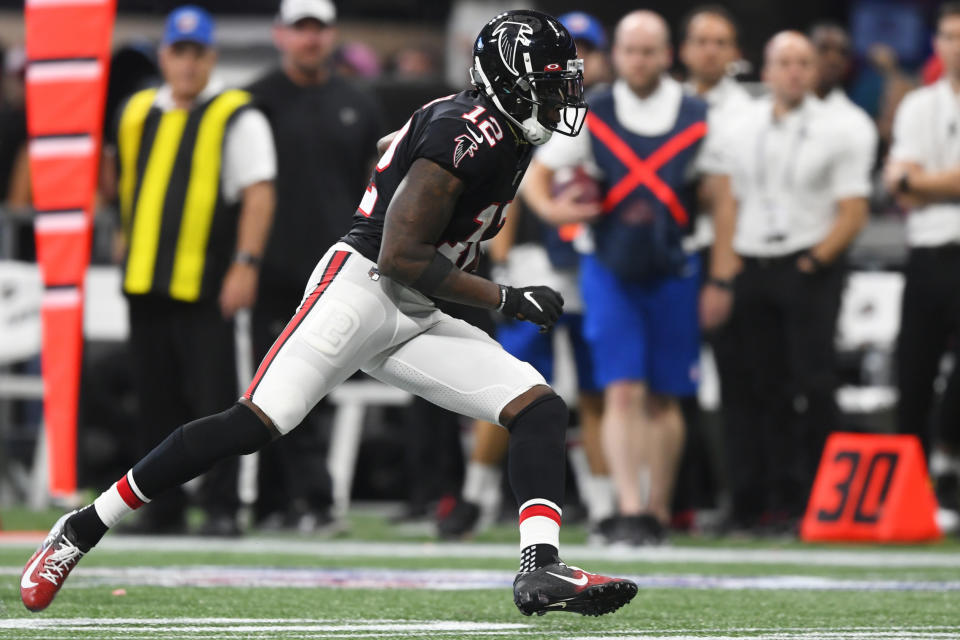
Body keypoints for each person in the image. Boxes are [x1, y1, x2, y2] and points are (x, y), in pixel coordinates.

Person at [21, 10, 637, 617]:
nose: (560, 98)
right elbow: (399, 255)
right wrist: (504, 297)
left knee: (538, 407)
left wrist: (404, 168)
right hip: (362, 289)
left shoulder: (486, 125)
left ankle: (542, 567)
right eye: (550, 82)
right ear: (507, 79)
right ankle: (82, 527)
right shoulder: (467, 134)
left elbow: (390, 152)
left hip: (417, 305)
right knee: (254, 423)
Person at [523, 10, 734, 545]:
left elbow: (722, 198)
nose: (640, 60)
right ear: (617, 55)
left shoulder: (696, 113)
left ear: (668, 55)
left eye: (650, 50)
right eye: (631, 50)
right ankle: (629, 508)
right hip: (610, 267)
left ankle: (658, 510)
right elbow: (537, 178)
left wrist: (722, 277)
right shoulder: (590, 112)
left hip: (674, 267)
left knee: (666, 395)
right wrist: (556, 214)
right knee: (619, 390)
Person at [436, 10, 615, 543]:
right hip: (538, 261)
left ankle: (606, 508)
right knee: (510, 387)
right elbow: (511, 190)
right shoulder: (523, 110)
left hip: (594, 268)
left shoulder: (610, 113)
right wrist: (507, 261)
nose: (569, 64)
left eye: (584, 49)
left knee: (595, 393)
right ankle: (476, 497)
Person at [103, 6, 276, 536]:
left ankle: (224, 506)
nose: (187, 63)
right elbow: (123, 176)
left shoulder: (235, 112)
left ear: (211, 57)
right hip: (147, 279)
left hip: (208, 281)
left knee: (218, 398)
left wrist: (245, 264)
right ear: (164, 56)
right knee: (154, 399)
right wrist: (123, 229)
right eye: (178, 52)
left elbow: (259, 192)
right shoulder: (136, 111)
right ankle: (164, 505)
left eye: (196, 52)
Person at [718, 32, 874, 533]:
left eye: (803, 62)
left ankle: (816, 498)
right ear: (766, 70)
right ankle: (761, 499)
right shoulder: (741, 125)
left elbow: (854, 210)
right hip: (752, 261)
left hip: (808, 264)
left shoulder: (843, 126)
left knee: (812, 383)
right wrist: (728, 268)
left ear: (816, 70)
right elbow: (729, 198)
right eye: (783, 62)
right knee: (755, 386)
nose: (793, 71)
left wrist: (813, 262)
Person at [245, 0, 383, 532]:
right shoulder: (254, 100)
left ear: (331, 36)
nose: (309, 39)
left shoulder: (357, 103)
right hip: (271, 269)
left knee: (313, 389)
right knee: (267, 388)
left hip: (334, 271)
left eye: (318, 30)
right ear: (281, 34)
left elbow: (376, 188)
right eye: (300, 29)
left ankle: (300, 501)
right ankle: (281, 501)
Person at [883, 2, 960, 523]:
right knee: (912, 370)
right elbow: (898, 185)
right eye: (950, 36)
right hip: (928, 252)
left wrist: (920, 181)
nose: (957, 45)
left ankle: (949, 469)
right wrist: (927, 183)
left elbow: (913, 180)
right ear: (937, 43)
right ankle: (907, 491)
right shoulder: (917, 105)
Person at [677, 4, 752, 524]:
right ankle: (682, 500)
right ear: (684, 50)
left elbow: (734, 193)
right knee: (670, 382)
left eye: (720, 42)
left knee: (737, 378)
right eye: (701, 40)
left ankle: (742, 500)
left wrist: (725, 272)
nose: (710, 50)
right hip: (672, 251)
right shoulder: (663, 105)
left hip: (727, 247)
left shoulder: (748, 112)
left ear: (735, 53)